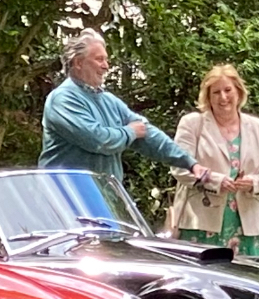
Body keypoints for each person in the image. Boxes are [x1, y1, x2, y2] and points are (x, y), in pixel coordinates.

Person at [38, 30, 195, 188]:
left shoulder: (109, 101)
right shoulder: (63, 99)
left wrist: (190, 164)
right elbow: (98, 140)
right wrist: (130, 132)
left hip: (105, 196)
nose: (106, 66)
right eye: (99, 59)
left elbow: (146, 133)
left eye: (106, 60)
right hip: (64, 198)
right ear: (78, 63)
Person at [168, 64, 259, 257]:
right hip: (200, 224)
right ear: (208, 97)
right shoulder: (193, 124)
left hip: (246, 226)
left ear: (239, 92)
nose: (223, 97)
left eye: (228, 90)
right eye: (216, 92)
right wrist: (216, 180)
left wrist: (253, 182)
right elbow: (179, 169)